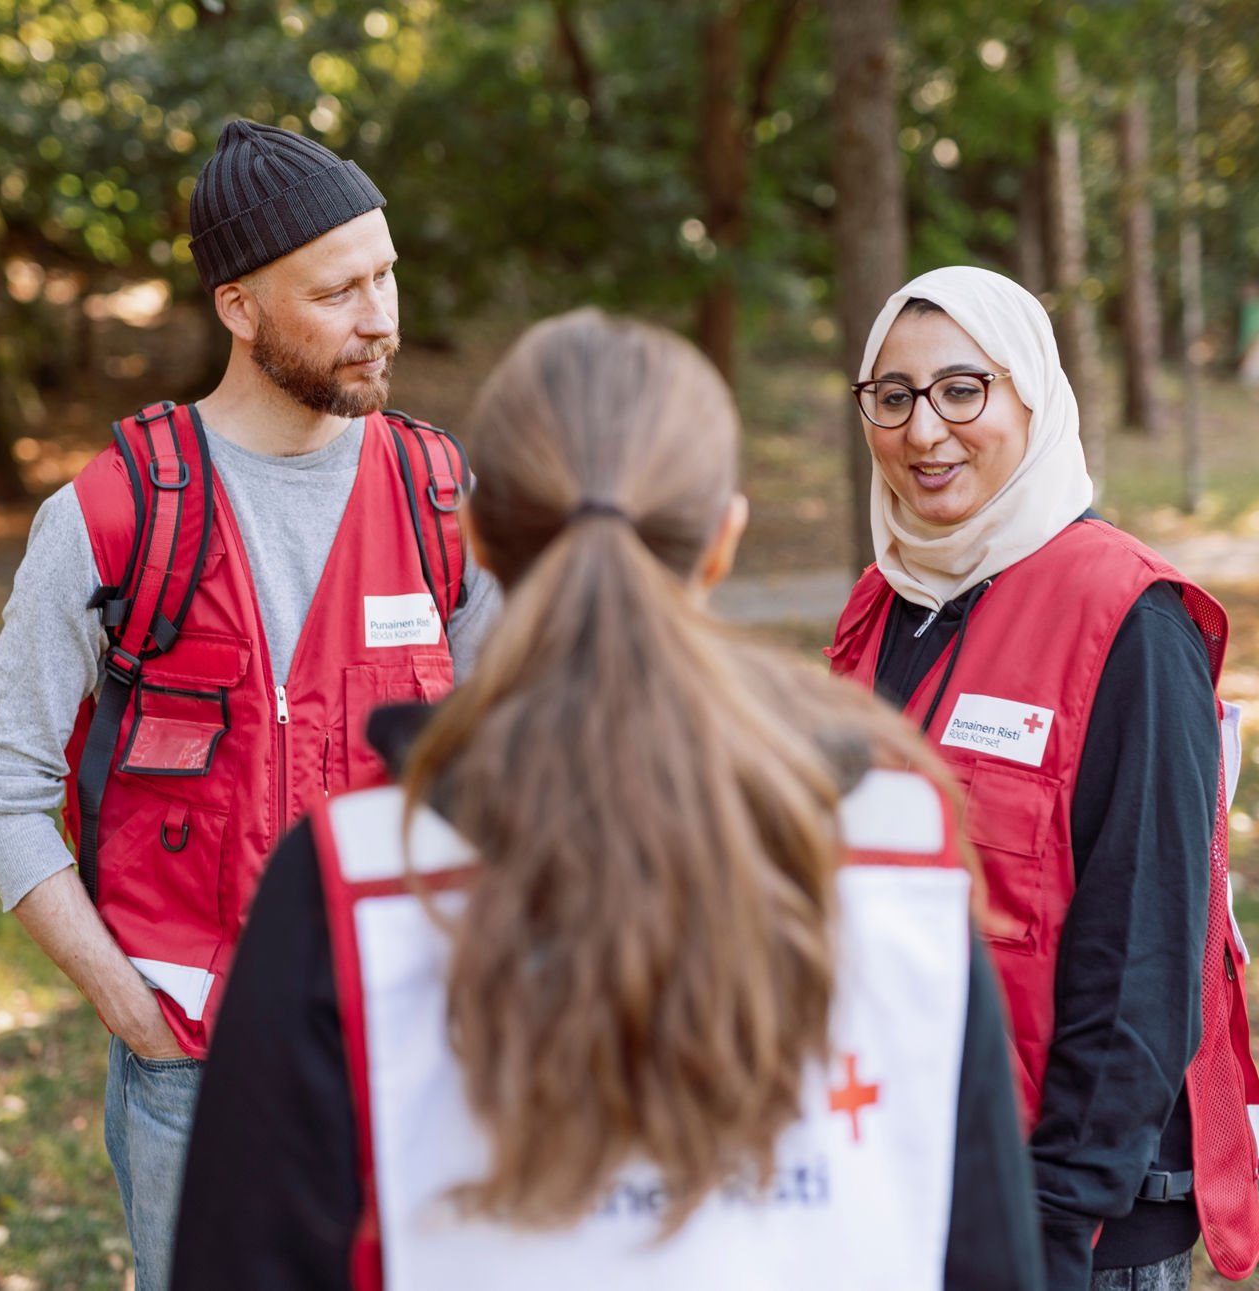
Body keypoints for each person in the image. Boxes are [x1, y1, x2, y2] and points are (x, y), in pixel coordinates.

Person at [168, 309, 1043, 1291]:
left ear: (477, 539)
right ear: (723, 540)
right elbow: (984, 1258)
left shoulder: (355, 879)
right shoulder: (897, 850)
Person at [0, 119, 500, 1291]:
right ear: (239, 307)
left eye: (387, 273)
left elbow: (523, 772)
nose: (382, 316)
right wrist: (133, 1008)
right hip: (194, 1076)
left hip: (419, 1058)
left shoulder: (449, 499)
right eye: (339, 290)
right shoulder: (108, 519)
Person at [827, 266, 1259, 1291]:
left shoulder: (1130, 619)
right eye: (892, 397)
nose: (924, 432)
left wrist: (1051, 1218)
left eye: (961, 389)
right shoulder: (882, 606)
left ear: (1030, 392)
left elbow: (1146, 956)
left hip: (1070, 1222)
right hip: (900, 1178)